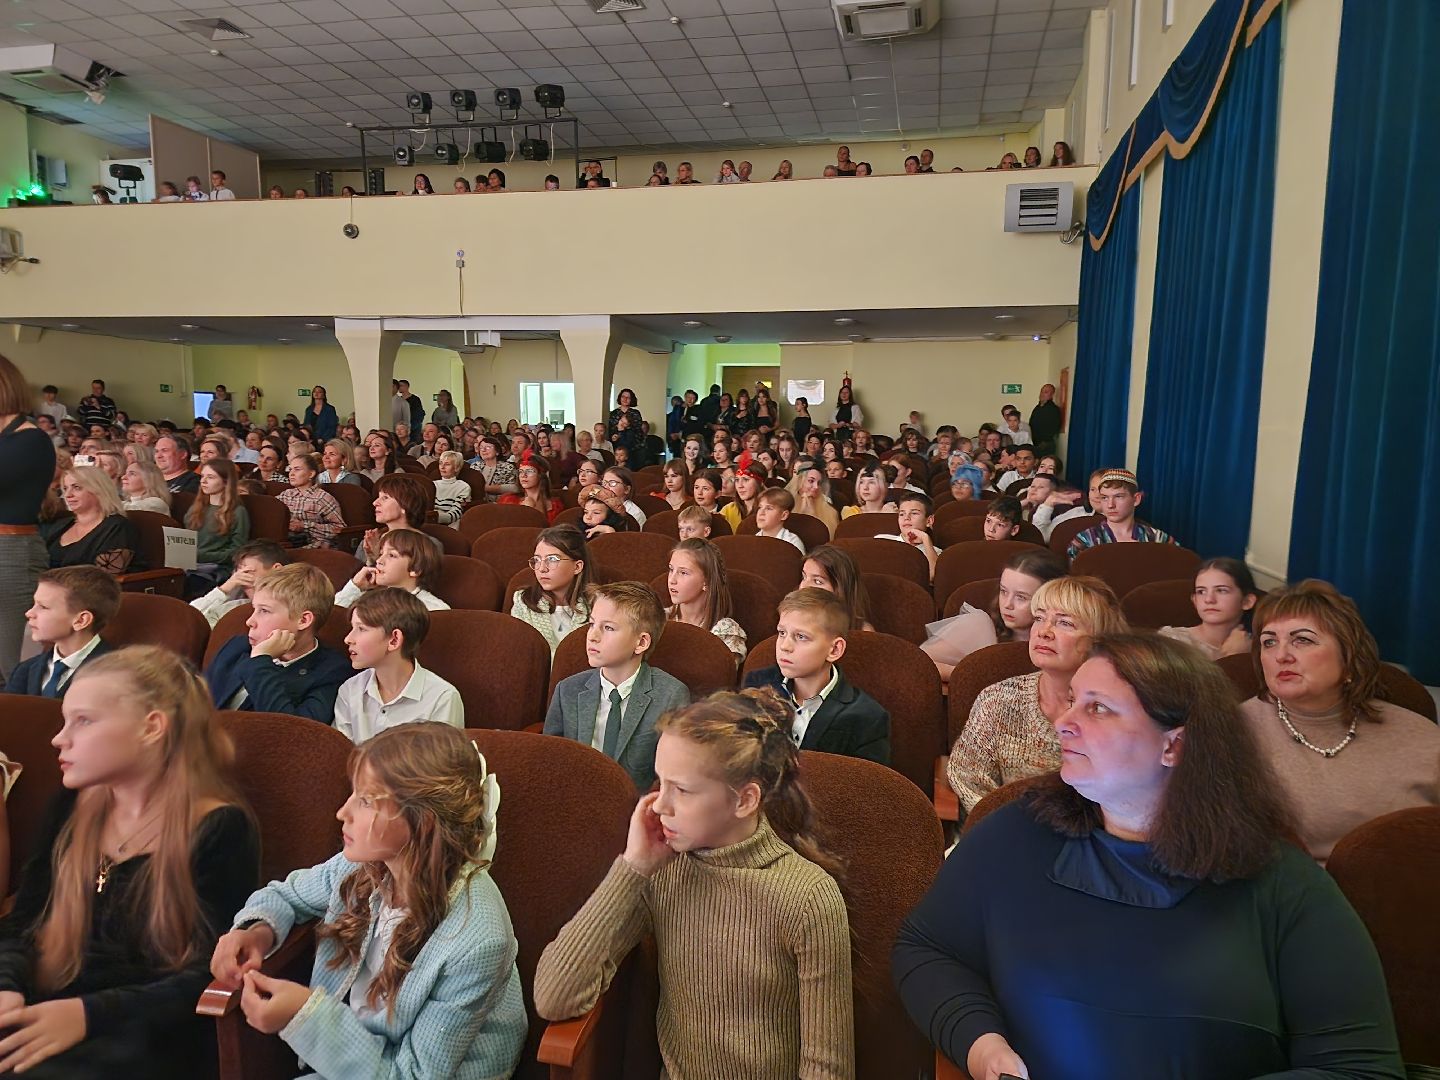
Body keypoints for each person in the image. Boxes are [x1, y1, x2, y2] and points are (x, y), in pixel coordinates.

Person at [896, 632, 1405, 1080]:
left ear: (1174, 746)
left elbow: (1360, 1066)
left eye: (1097, 708)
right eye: (1072, 700)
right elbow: (927, 948)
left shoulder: (1282, 885)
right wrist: (981, 1045)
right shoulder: (1015, 833)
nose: (1063, 721)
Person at [535, 689, 854, 1078]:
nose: (658, 805)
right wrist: (632, 867)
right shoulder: (663, 870)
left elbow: (827, 1067)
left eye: (681, 790)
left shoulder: (808, 898)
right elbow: (554, 997)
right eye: (660, 782)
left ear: (745, 800)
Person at [0, 647, 259, 1079]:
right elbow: (23, 922)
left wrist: (87, 1015)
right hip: (50, 1007)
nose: (58, 739)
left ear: (151, 727)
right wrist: (6, 986)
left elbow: (208, 975)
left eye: (82, 721)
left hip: (146, 1032)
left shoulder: (219, 828)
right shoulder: (72, 806)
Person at [211, 723, 526, 1077]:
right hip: (355, 1061)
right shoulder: (361, 865)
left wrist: (305, 1016)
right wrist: (257, 932)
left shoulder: (479, 939)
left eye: (364, 800)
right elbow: (288, 895)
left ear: (420, 823)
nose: (342, 813)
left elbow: (413, 1074)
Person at [1243, 580, 1440, 864]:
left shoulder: (1422, 738)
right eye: (1268, 642)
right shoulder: (1231, 732)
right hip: (1288, 899)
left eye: (1303, 639)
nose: (1281, 655)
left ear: (1348, 658)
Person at [946, 575, 1126, 813]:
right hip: (1003, 834)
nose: (1044, 632)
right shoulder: (998, 699)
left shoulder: (1120, 715)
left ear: (1100, 640)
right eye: (1039, 618)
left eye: (1065, 623)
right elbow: (968, 781)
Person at [544, 582, 690, 790]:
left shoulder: (670, 695)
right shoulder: (567, 690)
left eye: (608, 628)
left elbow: (673, 774)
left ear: (641, 643)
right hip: (574, 801)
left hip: (635, 811)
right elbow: (550, 761)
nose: (592, 636)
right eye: (592, 624)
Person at [742, 588, 890, 764]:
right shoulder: (757, 683)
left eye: (801, 636)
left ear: (834, 650)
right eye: (782, 633)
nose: (785, 646)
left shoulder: (867, 717)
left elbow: (865, 787)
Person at [203, 563, 351, 721]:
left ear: (303, 620)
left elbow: (291, 731)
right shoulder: (237, 646)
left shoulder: (332, 672)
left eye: (264, 611)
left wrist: (260, 661)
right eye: (254, 609)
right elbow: (198, 705)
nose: (250, 621)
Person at [922, 548, 1067, 683]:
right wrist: (973, 675)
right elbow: (918, 664)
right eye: (1003, 591)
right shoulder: (979, 627)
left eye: (1021, 597)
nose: (1007, 604)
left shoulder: (1068, 640)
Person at [334, 589, 462, 742]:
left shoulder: (442, 698)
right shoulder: (349, 690)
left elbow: (441, 763)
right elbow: (340, 756)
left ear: (394, 640)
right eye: (352, 628)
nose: (348, 639)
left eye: (361, 629)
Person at [4, 567, 119, 698]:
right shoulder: (25, 669)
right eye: (34, 604)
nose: (29, 613)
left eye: (43, 607)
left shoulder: (117, 673)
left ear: (81, 620)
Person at [42, 466, 142, 573]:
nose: (68, 495)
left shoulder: (117, 527)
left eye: (77, 487)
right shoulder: (61, 525)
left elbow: (107, 577)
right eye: (65, 489)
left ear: (98, 489)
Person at [510, 525, 592, 655]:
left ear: (577, 567)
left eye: (552, 559)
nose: (542, 568)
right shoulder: (523, 602)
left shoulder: (599, 604)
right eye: (537, 560)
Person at [1159, 557, 1257, 661]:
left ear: (1247, 601)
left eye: (1221, 590)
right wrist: (1234, 657)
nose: (1209, 599)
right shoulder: (1171, 641)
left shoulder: (1257, 645)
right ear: (1194, 600)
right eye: (1201, 591)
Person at [1066, 469, 1179, 558]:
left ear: (1136, 499)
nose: (1110, 505)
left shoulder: (1157, 539)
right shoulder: (1085, 540)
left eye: (1118, 497)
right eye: (1104, 498)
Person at [666, 538, 747, 661]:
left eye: (683, 572)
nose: (672, 580)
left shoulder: (726, 633)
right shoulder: (658, 618)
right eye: (671, 569)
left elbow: (720, 678)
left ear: (707, 581)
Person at [336, 528, 448, 612]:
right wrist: (355, 587)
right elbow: (330, 619)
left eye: (391, 555)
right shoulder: (369, 598)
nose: (379, 560)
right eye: (381, 554)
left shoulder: (433, 609)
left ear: (415, 568)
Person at [189, 539, 288, 628]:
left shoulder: (288, 610)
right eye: (238, 572)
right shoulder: (232, 607)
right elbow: (188, 618)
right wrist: (224, 589)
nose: (240, 578)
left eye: (248, 571)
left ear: (276, 570)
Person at [185, 459, 251, 590]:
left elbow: (237, 551)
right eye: (202, 476)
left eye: (210, 477)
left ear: (226, 482)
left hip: (217, 569)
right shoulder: (196, 508)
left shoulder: (238, 512)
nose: (203, 481)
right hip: (190, 564)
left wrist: (202, 555)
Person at [277, 453, 345, 549]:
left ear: (311, 474)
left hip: (314, 547)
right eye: (290, 469)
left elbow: (339, 529)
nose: (291, 473)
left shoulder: (322, 498)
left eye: (297, 469)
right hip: (288, 542)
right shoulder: (286, 495)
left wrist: (305, 525)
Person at [800, 545, 874, 632]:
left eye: (817, 581)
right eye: (804, 577)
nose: (803, 587)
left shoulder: (863, 631)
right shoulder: (790, 619)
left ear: (840, 589)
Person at [876, 492, 941, 581]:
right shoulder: (881, 540)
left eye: (914, 513)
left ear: (929, 521)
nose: (906, 518)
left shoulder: (934, 552)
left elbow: (933, 576)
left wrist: (925, 538)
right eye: (902, 514)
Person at [499, 457, 562, 524]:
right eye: (521, 472)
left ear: (540, 475)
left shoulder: (555, 505)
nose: (523, 475)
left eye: (529, 471)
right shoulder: (508, 500)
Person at [786, 460, 839, 539]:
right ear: (800, 480)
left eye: (819, 483)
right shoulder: (785, 505)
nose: (816, 487)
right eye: (811, 481)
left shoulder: (831, 512)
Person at [753, 487, 806, 554]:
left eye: (769, 508)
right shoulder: (753, 541)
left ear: (783, 515)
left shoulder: (792, 543)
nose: (761, 513)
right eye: (760, 507)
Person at [720, 463, 766, 531]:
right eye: (737, 480)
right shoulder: (728, 509)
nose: (740, 485)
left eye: (746, 479)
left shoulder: (768, 510)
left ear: (760, 482)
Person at [432, 450, 472, 527]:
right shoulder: (433, 484)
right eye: (440, 463)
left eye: (447, 464)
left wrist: (433, 517)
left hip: (450, 525)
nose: (442, 467)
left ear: (456, 468)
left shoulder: (463, 487)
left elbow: (455, 514)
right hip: (429, 521)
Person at [1028, 383, 1062, 453]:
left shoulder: (1053, 409)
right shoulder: (1037, 408)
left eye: (1046, 392)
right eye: (1041, 391)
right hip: (1034, 443)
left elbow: (1055, 427)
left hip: (1045, 444)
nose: (1042, 394)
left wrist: (1044, 441)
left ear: (1052, 395)